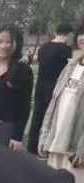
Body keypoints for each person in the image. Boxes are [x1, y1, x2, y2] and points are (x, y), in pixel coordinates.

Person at [39, 23, 84, 183]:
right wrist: (45, 135)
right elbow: (54, 103)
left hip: (76, 150)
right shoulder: (70, 67)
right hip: (56, 142)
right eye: (81, 33)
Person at [27, 23, 74, 155]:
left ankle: (31, 147)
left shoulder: (44, 47)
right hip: (54, 88)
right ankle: (46, 148)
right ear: (69, 34)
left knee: (37, 117)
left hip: (40, 86)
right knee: (51, 119)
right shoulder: (65, 49)